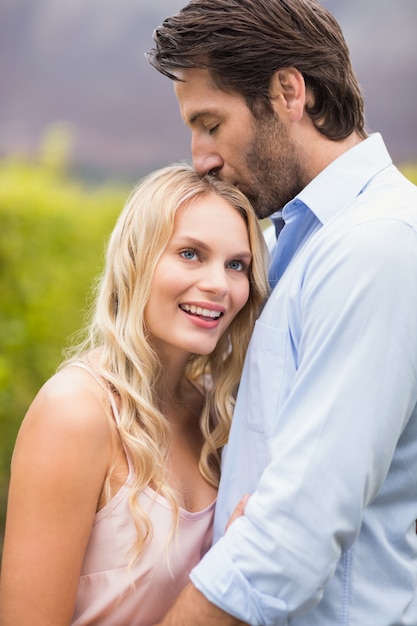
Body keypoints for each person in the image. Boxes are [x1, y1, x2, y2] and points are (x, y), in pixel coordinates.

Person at [146, 1, 417, 624]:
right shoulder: (287, 245)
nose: (200, 158)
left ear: (289, 92)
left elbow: (295, 529)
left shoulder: (374, 245)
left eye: (211, 123)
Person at [0, 163, 269, 626]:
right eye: (189, 253)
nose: (218, 284)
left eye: (236, 265)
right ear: (136, 258)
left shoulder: (216, 413)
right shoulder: (76, 412)